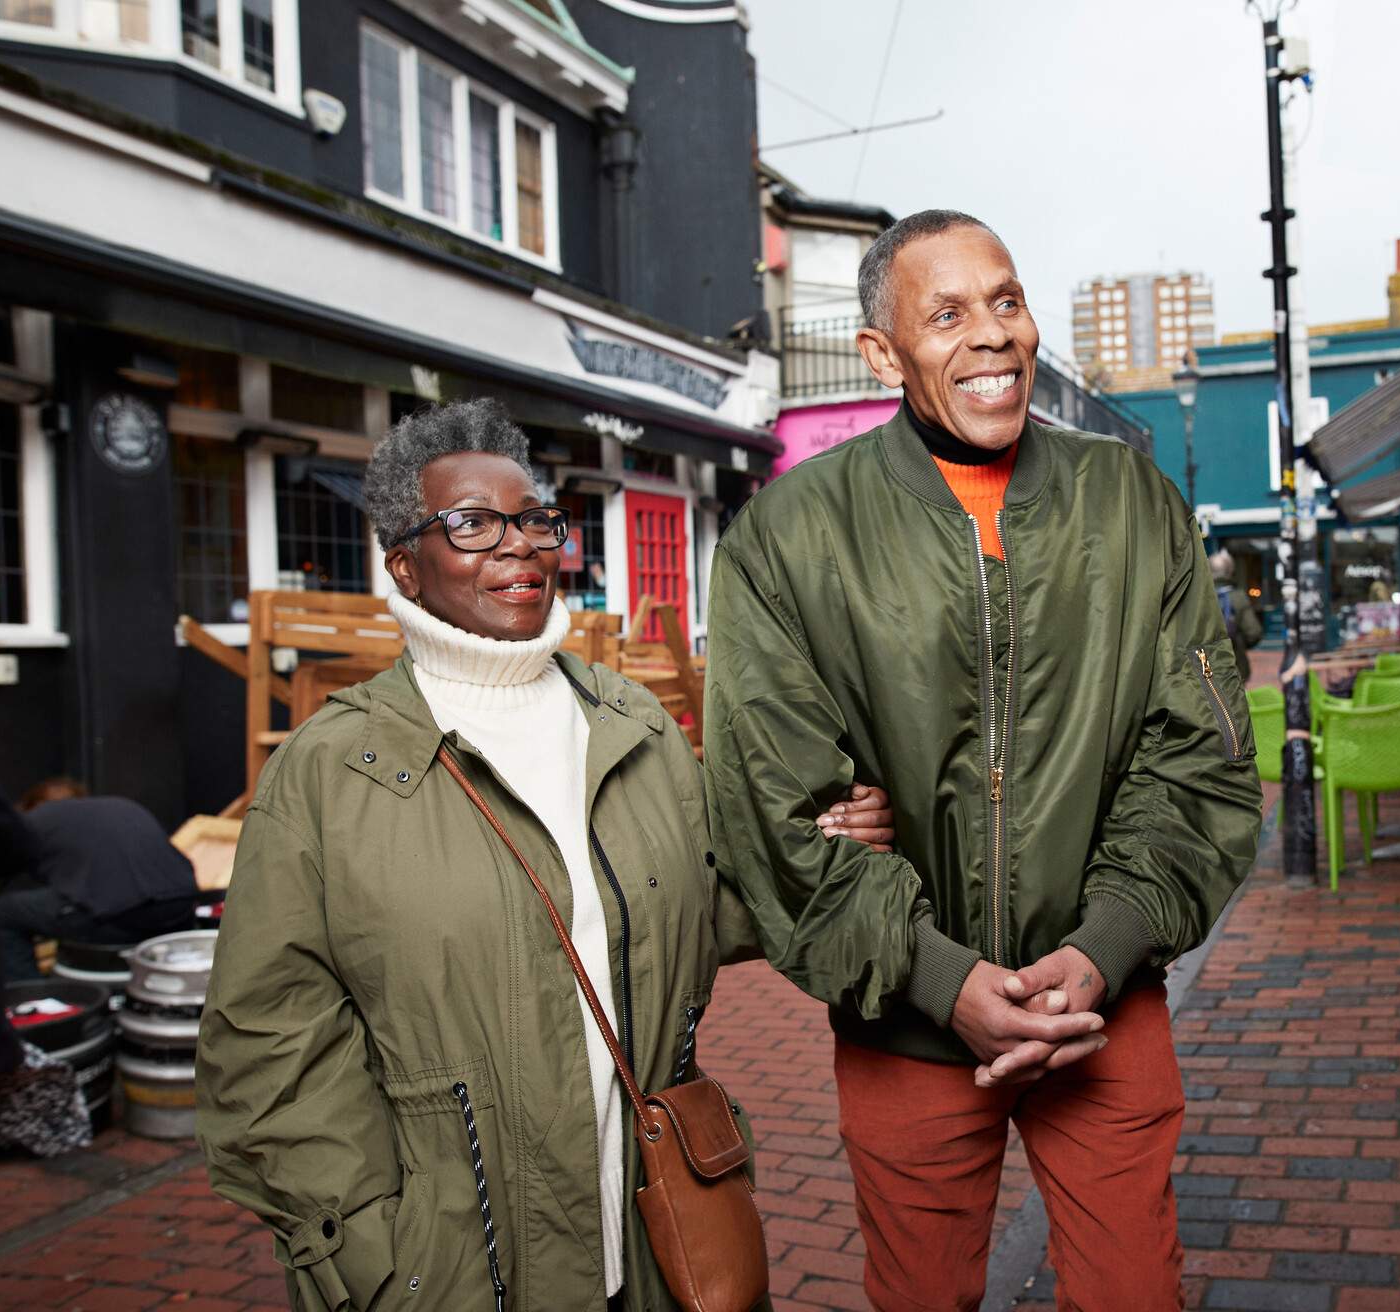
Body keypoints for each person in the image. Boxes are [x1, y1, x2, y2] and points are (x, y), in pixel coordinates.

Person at [196, 399, 894, 1312]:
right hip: (454, 1267)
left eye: (534, 519)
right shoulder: (326, 775)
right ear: (405, 562)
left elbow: (697, 907)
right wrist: (366, 1247)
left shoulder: (627, 719)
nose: (520, 544)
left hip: (660, 1239)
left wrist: (805, 851)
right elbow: (265, 1040)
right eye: (474, 524)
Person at [703, 211, 1264, 1310]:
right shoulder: (789, 536)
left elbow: (1199, 764)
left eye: (1005, 300)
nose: (992, 335)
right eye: (947, 313)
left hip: (1103, 1010)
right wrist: (944, 981)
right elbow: (777, 812)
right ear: (882, 354)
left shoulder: (1133, 501)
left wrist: (1101, 948)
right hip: (905, 1027)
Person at [0, 783, 199, 983]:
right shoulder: (116, 805)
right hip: (182, 909)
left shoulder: (31, 823)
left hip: (121, 915)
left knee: (4, 912)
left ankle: (28, 1001)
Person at [1210, 548, 1264, 681]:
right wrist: (1238, 645)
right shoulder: (1237, 597)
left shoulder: (1198, 597)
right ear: (1230, 571)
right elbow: (1254, 633)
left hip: (1204, 669)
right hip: (1234, 666)